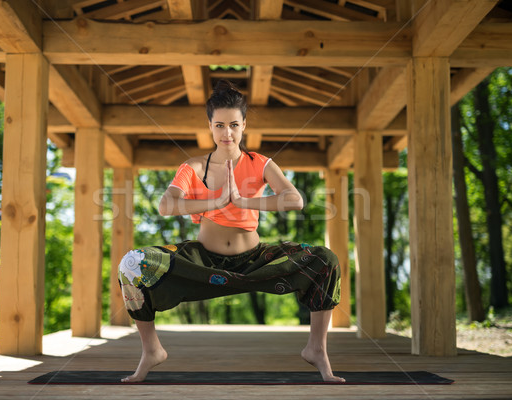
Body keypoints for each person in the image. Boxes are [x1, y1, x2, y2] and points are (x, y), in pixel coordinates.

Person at [118, 80, 344, 383]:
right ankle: (152, 351)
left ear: (244, 125)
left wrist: (243, 200)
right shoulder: (195, 166)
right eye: (220, 125)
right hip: (202, 262)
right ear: (210, 126)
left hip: (255, 261)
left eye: (234, 125)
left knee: (326, 259)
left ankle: (316, 349)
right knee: (131, 265)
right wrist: (215, 200)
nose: (227, 133)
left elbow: (295, 199)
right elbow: (165, 205)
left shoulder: (260, 163)